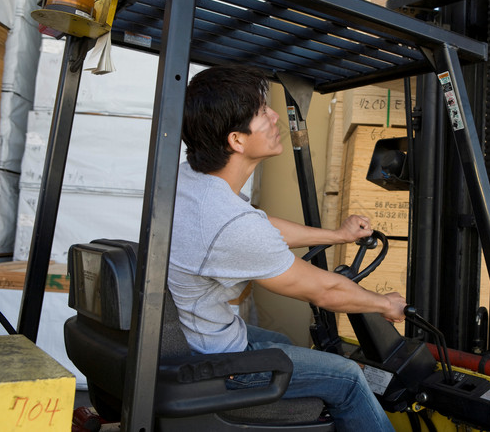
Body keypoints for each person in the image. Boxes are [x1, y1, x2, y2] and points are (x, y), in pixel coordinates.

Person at [168, 64, 406, 432]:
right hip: (215, 363)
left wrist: (337, 235)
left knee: (280, 341)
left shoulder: (193, 181)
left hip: (195, 338)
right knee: (348, 378)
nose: (275, 115)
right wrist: (384, 304)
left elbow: (260, 227)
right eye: (262, 111)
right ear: (237, 140)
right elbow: (324, 290)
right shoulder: (230, 224)